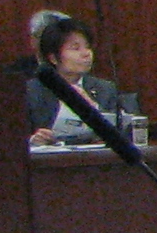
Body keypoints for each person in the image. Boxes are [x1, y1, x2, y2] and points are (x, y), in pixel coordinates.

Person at [24, 14, 122, 143]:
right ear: (53, 58)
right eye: (75, 48)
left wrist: (94, 109)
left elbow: (121, 134)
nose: (86, 53)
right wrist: (33, 140)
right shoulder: (31, 91)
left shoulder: (105, 89)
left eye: (88, 47)